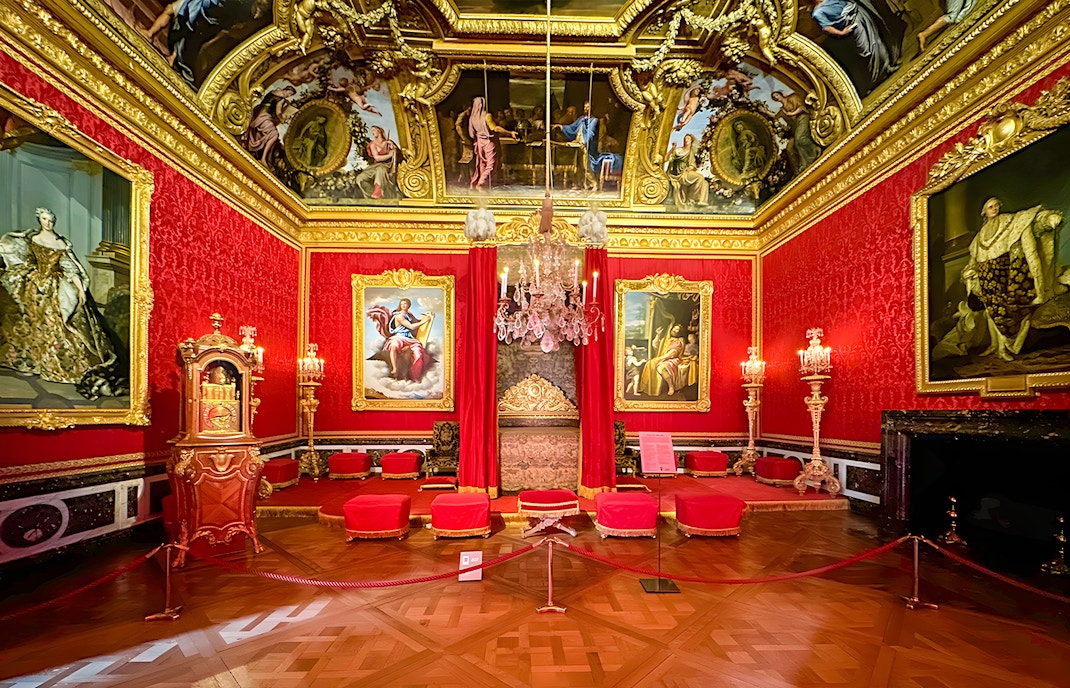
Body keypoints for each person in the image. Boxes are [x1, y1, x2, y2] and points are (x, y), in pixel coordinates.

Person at [0, 208, 123, 398]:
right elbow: (22, 257)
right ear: (39, 220)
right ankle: (32, 361)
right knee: (30, 323)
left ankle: (55, 363)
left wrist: (81, 290)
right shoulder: (31, 239)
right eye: (44, 219)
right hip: (33, 286)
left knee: (56, 323)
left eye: (50, 220)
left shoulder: (61, 243)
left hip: (54, 287)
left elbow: (70, 268)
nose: (47, 223)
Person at [957, 197, 1066, 361]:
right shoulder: (979, 237)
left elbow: (1031, 220)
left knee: (1004, 312)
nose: (994, 208)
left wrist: (1048, 218)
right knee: (989, 312)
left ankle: (1003, 349)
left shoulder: (1010, 221)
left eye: (996, 205)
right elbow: (973, 261)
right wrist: (969, 271)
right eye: (990, 206)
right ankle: (994, 346)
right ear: (984, 212)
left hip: (1005, 275)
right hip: (986, 280)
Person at [811, 0, 902, 91]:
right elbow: (826, 28)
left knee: (876, 42)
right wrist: (841, 33)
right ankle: (874, 79)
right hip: (853, 28)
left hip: (859, 16)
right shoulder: (818, 12)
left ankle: (887, 67)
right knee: (866, 51)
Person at [553, 101, 623, 190]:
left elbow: (590, 133)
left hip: (587, 145)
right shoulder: (581, 119)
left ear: (591, 108)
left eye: (588, 107)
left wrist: (583, 142)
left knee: (586, 165)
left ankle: (594, 183)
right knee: (578, 164)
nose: (586, 108)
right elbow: (572, 127)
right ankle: (580, 183)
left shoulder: (594, 120)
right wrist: (561, 127)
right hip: (578, 144)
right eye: (585, 106)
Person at [366, 298, 435, 381]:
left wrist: (428, 318)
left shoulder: (409, 316)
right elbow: (412, 326)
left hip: (409, 339)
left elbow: (417, 323)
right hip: (399, 337)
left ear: (409, 305)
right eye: (402, 304)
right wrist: (425, 321)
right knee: (394, 346)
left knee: (418, 353)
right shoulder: (399, 316)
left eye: (405, 304)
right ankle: (394, 368)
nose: (403, 305)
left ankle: (415, 375)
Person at [468, 96, 515, 191]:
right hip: (489, 142)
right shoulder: (486, 116)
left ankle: (482, 183)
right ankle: (481, 183)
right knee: (491, 164)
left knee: (482, 164)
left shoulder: (472, 118)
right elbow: (495, 128)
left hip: (480, 143)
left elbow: (472, 133)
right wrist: (510, 133)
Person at [240, 85, 295, 164]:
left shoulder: (273, 91)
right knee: (274, 134)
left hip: (258, 110)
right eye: (289, 93)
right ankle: (263, 158)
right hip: (264, 116)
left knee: (265, 130)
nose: (288, 95)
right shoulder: (281, 99)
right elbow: (278, 113)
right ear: (286, 89)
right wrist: (283, 119)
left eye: (290, 95)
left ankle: (248, 142)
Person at [771, 91, 821, 172]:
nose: (776, 97)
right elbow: (775, 116)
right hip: (797, 125)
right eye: (774, 98)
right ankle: (804, 164)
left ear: (780, 94)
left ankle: (815, 149)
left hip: (803, 118)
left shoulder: (792, 97)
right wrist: (764, 111)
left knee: (799, 139)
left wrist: (791, 113)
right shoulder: (783, 109)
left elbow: (801, 107)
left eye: (776, 95)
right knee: (792, 147)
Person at [638, 323, 687, 397]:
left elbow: (672, 353)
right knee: (650, 363)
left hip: (672, 360)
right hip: (663, 359)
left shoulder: (678, 341)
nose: (675, 330)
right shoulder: (666, 339)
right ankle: (649, 387)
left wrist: (659, 358)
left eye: (677, 330)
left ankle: (671, 386)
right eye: (674, 328)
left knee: (661, 368)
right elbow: (656, 345)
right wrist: (658, 334)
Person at [355, 126, 400, 199]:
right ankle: (370, 194)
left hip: (386, 165)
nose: (372, 132)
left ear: (379, 131)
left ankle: (378, 191)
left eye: (374, 130)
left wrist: (393, 147)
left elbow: (395, 152)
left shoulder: (388, 142)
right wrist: (389, 155)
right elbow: (377, 158)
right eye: (371, 130)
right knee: (360, 178)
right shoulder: (373, 144)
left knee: (381, 169)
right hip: (375, 166)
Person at [664, 134, 710, 208]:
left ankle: (698, 200)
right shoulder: (678, 150)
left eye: (688, 138)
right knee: (700, 177)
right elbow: (666, 159)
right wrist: (672, 149)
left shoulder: (691, 153)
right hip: (678, 174)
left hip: (686, 172)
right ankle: (692, 198)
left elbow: (693, 164)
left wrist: (691, 167)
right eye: (685, 138)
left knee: (704, 182)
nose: (686, 140)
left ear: (691, 141)